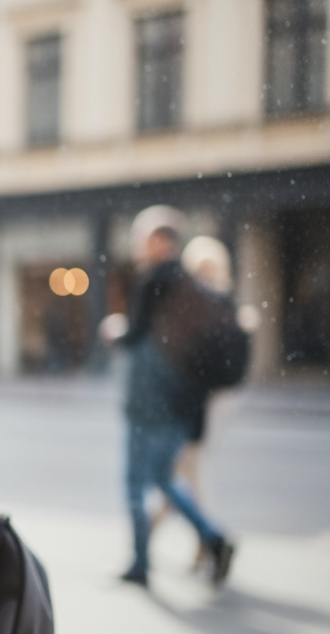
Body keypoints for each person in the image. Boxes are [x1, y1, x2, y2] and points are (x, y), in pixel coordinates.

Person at [101, 207, 233, 588]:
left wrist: (115, 332)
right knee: (164, 478)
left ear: (161, 241)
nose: (138, 245)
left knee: (135, 483)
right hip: (181, 404)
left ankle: (141, 563)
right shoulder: (193, 286)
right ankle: (213, 537)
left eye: (142, 238)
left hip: (149, 401)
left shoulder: (155, 280)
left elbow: (136, 338)